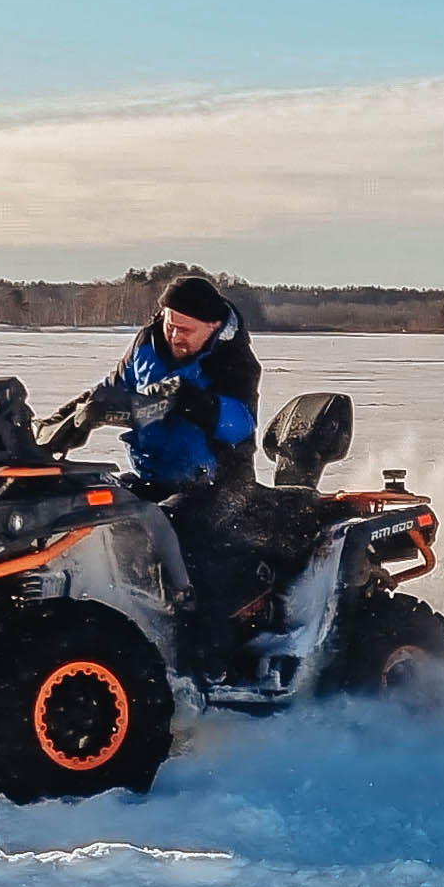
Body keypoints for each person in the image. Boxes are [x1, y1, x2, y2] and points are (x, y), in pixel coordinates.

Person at [52, 276, 265, 673]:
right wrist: (69, 421)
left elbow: (240, 424)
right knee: (91, 515)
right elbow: (111, 388)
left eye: (185, 330)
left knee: (180, 539)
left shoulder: (232, 360)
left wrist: (190, 400)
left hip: (218, 483)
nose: (174, 335)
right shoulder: (147, 344)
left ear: (212, 326)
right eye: (170, 323)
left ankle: (206, 665)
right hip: (153, 477)